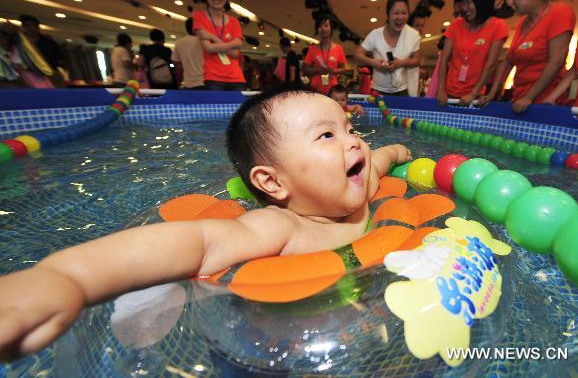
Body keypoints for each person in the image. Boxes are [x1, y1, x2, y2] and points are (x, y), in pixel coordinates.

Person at [0, 85, 411, 361]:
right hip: (276, 345)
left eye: (351, 128)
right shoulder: (284, 227)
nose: (354, 141)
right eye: (327, 136)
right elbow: (195, 241)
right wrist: (68, 278)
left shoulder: (366, 183)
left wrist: (399, 149)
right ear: (272, 182)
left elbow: (383, 157)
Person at [480, 0, 575, 113]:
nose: (512, 2)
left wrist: (529, 97)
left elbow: (557, 61)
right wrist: (492, 94)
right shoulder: (522, 23)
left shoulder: (560, 12)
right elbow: (508, 61)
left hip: (545, 104)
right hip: (519, 100)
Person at [437, 0, 509, 106]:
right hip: (448, 95)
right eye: (463, 3)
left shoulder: (498, 26)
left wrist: (473, 93)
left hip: (474, 97)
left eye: (469, 3)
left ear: (482, 2)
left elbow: (491, 63)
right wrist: (441, 89)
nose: (465, 8)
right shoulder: (456, 24)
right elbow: (444, 58)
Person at [354, 0, 421, 97]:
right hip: (377, 90)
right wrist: (373, 62)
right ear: (388, 14)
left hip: (402, 90)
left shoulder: (412, 35)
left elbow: (417, 60)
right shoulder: (375, 34)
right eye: (395, 13)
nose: (400, 17)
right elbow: (357, 54)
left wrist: (401, 63)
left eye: (404, 13)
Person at [192, 0, 246, 91]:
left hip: (236, 78)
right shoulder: (199, 16)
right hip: (212, 78)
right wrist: (233, 43)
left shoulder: (234, 22)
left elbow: (235, 53)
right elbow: (208, 48)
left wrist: (212, 37)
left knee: (240, 109)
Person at [303, 14, 348, 94]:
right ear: (317, 29)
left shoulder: (338, 48)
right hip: (315, 88)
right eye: (320, 26)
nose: (323, 29)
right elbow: (305, 69)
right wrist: (318, 70)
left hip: (333, 89)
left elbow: (343, 69)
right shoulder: (312, 49)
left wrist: (333, 70)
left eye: (326, 25)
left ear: (331, 28)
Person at [173, 18, 204, 90]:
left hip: (188, 83)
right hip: (205, 82)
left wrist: (179, 83)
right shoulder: (205, 42)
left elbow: (177, 66)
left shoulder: (179, 42)